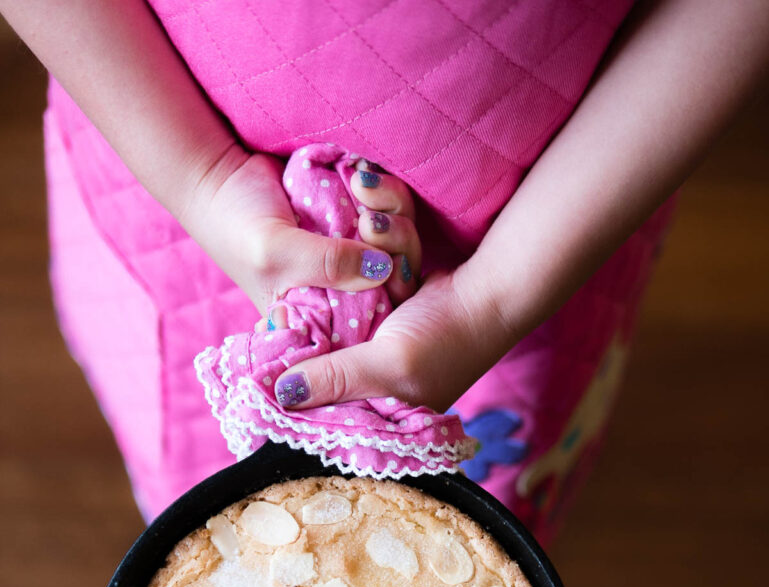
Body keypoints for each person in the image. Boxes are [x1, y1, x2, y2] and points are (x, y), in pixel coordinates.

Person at [2, 0, 767, 543]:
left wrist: (493, 300)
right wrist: (201, 177)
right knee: (196, 482)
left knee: (475, 516)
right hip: (160, 163)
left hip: (553, 221)